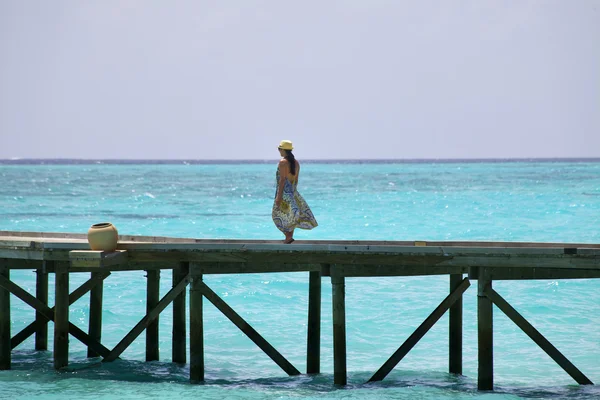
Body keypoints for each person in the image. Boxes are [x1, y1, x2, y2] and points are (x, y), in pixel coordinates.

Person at [272, 140, 318, 243]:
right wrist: (294, 192)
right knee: (290, 215)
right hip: (292, 191)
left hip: (284, 193)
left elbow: (282, 180)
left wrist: (279, 197)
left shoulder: (283, 162)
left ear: (283, 150)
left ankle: (288, 237)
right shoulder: (296, 162)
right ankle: (289, 237)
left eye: (279, 149)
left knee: (277, 215)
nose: (279, 151)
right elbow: (296, 179)